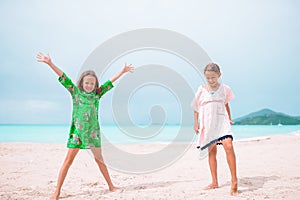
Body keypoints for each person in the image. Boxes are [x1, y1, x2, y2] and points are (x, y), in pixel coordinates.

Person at [36, 52, 134, 200]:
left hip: (93, 133)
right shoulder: (75, 93)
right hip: (77, 134)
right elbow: (64, 78)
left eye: (92, 83)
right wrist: (50, 63)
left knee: (99, 160)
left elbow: (109, 82)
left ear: (95, 85)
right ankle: (57, 192)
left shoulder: (97, 95)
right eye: (87, 83)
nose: (89, 85)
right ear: (81, 83)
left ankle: (111, 186)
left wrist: (122, 71)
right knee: (68, 162)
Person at [191, 63, 238, 196]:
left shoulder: (225, 89)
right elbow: (196, 107)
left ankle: (234, 181)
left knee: (228, 146)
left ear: (219, 75)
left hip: (222, 121)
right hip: (208, 122)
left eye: (213, 77)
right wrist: (196, 123)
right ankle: (214, 181)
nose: (211, 80)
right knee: (212, 151)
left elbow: (226, 104)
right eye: (208, 78)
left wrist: (229, 118)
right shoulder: (201, 89)